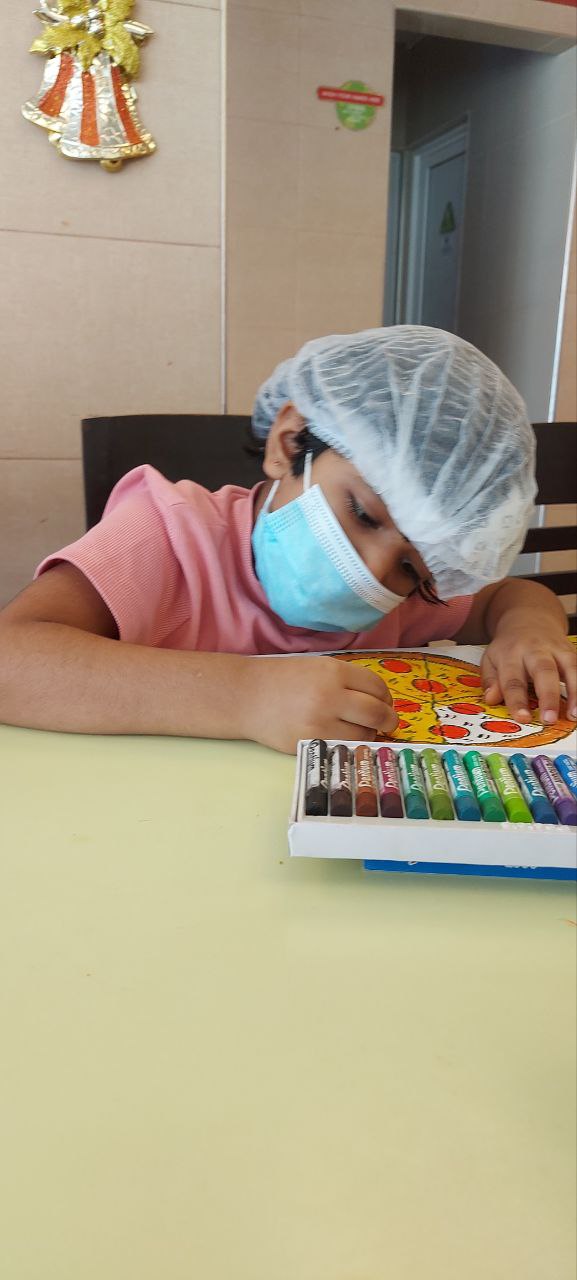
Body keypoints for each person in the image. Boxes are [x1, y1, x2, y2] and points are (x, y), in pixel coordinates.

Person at [0, 327, 575, 754]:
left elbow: (509, 597)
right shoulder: (167, 535)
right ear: (289, 441)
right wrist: (244, 697)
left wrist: (530, 631)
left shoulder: (406, 601)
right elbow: (12, 657)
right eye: (362, 513)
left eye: (411, 568)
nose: (374, 570)